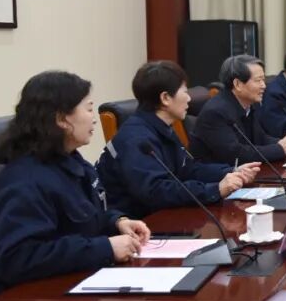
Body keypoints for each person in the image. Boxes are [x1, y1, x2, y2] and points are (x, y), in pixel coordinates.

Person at [0, 71, 150, 299]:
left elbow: (85, 216)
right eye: (88, 109)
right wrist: (105, 248)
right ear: (62, 119)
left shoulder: (72, 162)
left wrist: (118, 222)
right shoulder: (23, 182)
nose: (93, 119)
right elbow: (17, 258)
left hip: (76, 286)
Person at [97, 61, 260, 218]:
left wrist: (231, 171)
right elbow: (156, 191)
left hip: (165, 216)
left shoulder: (162, 128)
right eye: (185, 92)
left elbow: (188, 169)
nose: (189, 99)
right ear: (165, 98)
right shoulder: (135, 138)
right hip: (139, 225)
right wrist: (215, 190)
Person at [189, 55, 286, 165]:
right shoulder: (216, 112)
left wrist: (284, 143)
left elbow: (259, 138)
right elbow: (236, 154)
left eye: (263, 80)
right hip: (219, 173)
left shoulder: (249, 104)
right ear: (237, 84)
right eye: (258, 80)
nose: (264, 86)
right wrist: (279, 149)